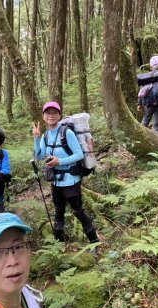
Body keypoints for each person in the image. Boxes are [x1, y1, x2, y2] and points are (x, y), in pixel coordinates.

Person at [32, 101, 100, 246]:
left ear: (59, 115)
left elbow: (79, 155)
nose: (51, 116)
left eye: (54, 113)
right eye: (48, 113)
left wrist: (60, 162)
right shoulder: (45, 135)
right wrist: (36, 139)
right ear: (43, 116)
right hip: (55, 180)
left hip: (71, 179)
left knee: (77, 211)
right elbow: (38, 156)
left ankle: (94, 242)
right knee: (58, 210)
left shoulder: (66, 133)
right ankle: (59, 246)